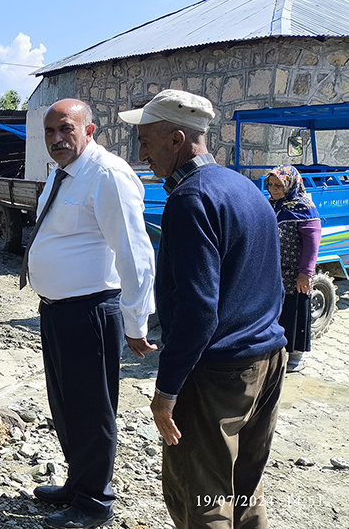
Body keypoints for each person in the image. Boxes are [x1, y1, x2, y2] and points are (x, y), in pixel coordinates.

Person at [118, 89, 286, 529]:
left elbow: (198, 311)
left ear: (176, 139)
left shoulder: (191, 200)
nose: (142, 153)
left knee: (204, 497)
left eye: (147, 141)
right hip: (267, 361)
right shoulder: (245, 190)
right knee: (244, 487)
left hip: (218, 375)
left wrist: (166, 391)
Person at [23, 99, 156, 529]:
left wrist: (137, 323)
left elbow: (134, 255)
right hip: (59, 311)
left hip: (90, 311)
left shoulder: (107, 175)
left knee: (92, 410)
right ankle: (77, 484)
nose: (57, 139)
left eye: (66, 129)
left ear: (89, 129)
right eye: (50, 132)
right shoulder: (64, 174)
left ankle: (95, 503)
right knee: (65, 405)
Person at [266, 165, 321, 373]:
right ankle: (276, 349)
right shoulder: (272, 204)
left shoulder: (304, 207)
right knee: (277, 312)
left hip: (294, 275)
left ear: (291, 184)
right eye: (271, 185)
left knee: (294, 311)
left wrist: (305, 274)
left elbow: (312, 244)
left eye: (279, 185)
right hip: (274, 273)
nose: (274, 190)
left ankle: (296, 355)